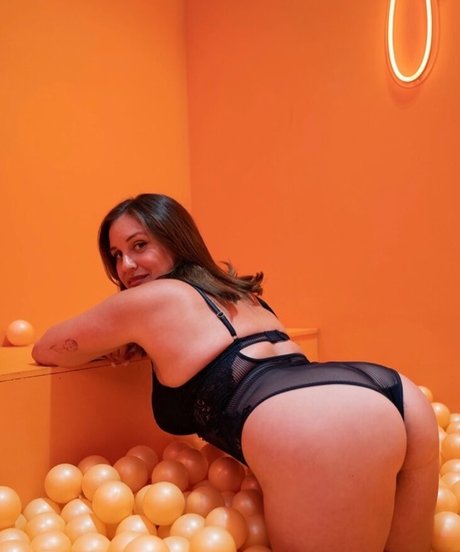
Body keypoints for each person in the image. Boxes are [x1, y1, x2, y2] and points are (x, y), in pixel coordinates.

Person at [32, 193, 439, 552]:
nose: (127, 265)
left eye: (139, 245)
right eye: (116, 255)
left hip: (326, 426)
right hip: (395, 397)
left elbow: (48, 348)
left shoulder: (150, 298)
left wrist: (113, 338)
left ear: (175, 240)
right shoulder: (237, 292)